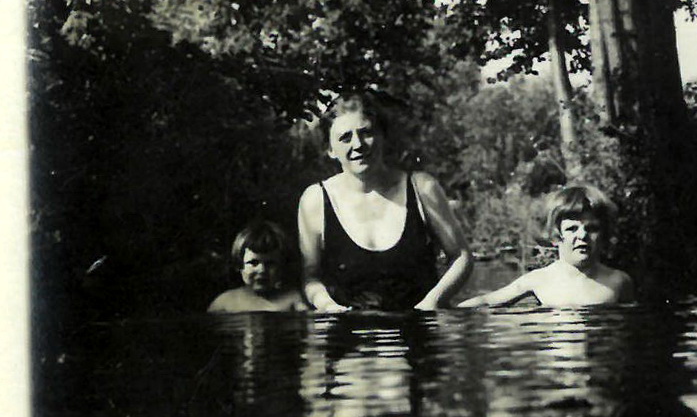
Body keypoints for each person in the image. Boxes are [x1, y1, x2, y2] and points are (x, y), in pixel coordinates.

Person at [297, 91, 472, 311]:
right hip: (347, 333)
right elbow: (310, 278)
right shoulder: (314, 200)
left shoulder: (422, 188)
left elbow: (461, 257)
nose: (358, 144)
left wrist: (432, 303)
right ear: (330, 150)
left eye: (367, 133)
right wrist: (329, 307)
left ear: (383, 136)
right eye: (345, 138)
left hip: (419, 331)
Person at [459, 184, 634, 309]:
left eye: (592, 228)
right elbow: (487, 301)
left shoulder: (618, 281)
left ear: (603, 234)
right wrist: (441, 314)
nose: (582, 235)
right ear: (555, 236)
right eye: (572, 229)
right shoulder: (540, 279)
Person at [207, 219, 305, 313]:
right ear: (240, 265)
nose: (262, 270)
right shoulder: (225, 303)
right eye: (253, 263)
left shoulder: (292, 300)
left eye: (270, 263)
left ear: (281, 266)